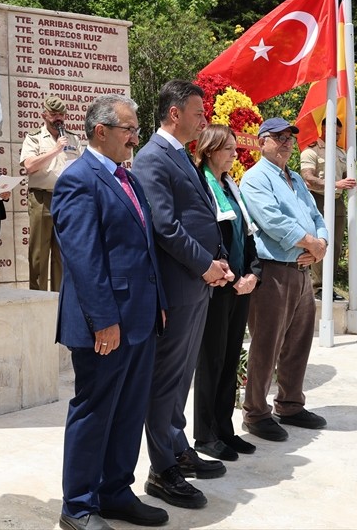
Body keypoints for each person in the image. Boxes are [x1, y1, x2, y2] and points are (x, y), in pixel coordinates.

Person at [54, 94, 169, 530]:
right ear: (101, 131)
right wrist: (103, 320)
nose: (135, 138)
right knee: (96, 410)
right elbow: (83, 258)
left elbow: (144, 248)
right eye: (129, 130)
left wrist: (158, 304)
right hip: (105, 323)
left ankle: (115, 491)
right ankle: (78, 506)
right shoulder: (78, 180)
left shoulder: (128, 178)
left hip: (139, 319)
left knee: (129, 410)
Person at [133, 79, 232, 510]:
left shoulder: (180, 155)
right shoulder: (152, 158)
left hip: (197, 283)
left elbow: (202, 214)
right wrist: (205, 264)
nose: (204, 120)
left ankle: (177, 448)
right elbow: (165, 226)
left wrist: (218, 259)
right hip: (178, 285)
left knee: (181, 377)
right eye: (198, 112)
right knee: (165, 381)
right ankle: (162, 470)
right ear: (175, 114)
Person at [238, 118, 330, 443]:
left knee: (298, 342)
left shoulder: (296, 179)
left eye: (290, 137)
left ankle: (290, 404)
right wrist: (311, 243)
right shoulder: (255, 178)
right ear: (262, 142)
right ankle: (256, 412)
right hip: (274, 270)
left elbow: (316, 215)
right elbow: (272, 221)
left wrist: (321, 245)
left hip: (301, 269)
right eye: (278, 137)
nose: (286, 143)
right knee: (267, 343)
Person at [191, 125, 262, 462]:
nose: (235, 154)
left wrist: (253, 273)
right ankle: (205, 435)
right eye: (228, 149)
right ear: (209, 150)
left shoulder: (230, 185)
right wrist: (230, 275)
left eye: (235, 148)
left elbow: (246, 235)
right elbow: (204, 234)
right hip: (217, 286)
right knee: (212, 360)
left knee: (231, 358)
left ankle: (224, 429)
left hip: (240, 286)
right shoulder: (201, 185)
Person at [21, 94, 81, 291]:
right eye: (54, 114)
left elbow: (81, 167)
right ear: (44, 115)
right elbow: (29, 166)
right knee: (39, 254)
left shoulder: (73, 138)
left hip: (66, 200)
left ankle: (59, 299)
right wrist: (56, 149)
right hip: (42, 199)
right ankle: (38, 299)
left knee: (62, 255)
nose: (58, 118)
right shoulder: (34, 138)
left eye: (61, 114)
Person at [300, 119, 357, 300]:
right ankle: (317, 287)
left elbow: (345, 176)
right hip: (318, 199)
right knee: (319, 242)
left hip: (337, 201)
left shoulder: (341, 153)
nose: (336, 136)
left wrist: (354, 185)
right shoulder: (311, 151)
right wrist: (335, 184)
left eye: (339, 134)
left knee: (335, 245)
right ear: (323, 129)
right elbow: (308, 178)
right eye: (333, 132)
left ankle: (328, 286)